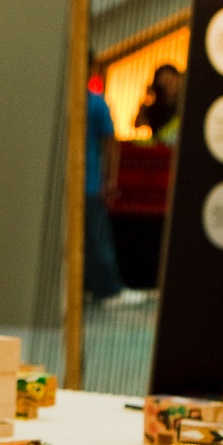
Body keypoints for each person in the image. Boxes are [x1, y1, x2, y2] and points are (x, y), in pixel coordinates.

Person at [85, 84, 124, 301]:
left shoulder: (96, 103)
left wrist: (109, 179)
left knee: (96, 238)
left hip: (91, 183)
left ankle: (108, 289)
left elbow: (110, 142)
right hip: (87, 183)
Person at [136, 63, 183, 145]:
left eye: (171, 82)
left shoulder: (184, 105)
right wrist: (147, 98)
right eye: (164, 84)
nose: (169, 87)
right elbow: (138, 123)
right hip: (162, 149)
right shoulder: (155, 109)